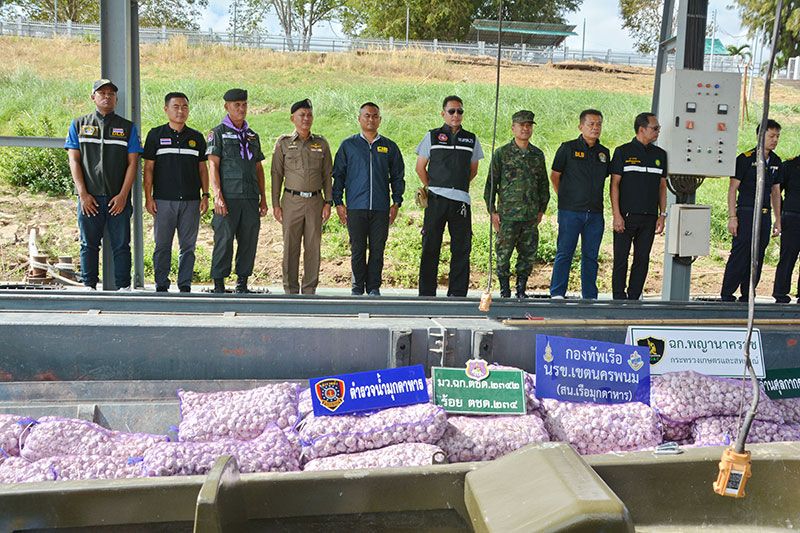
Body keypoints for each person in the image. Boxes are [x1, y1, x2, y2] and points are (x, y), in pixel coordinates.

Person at [64, 79, 142, 291]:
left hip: (118, 199)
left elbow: (133, 163)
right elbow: (74, 161)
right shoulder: (79, 125)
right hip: (89, 199)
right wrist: (83, 195)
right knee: (88, 244)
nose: (107, 97)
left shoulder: (127, 128)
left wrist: (123, 196)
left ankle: (124, 288)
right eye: (102, 93)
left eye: (111, 94)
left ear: (116, 99)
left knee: (121, 245)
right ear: (93, 97)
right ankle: (88, 286)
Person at [333, 102, 405, 296]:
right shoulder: (349, 145)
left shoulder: (389, 147)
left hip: (381, 208)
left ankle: (373, 287)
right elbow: (338, 175)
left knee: (377, 249)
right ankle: (357, 288)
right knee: (357, 249)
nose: (371, 119)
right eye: (367, 115)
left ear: (380, 120)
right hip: (355, 207)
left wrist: (396, 203)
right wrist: (338, 202)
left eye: (375, 116)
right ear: (359, 119)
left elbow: (398, 176)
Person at [415, 95, 484, 297]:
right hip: (436, 199)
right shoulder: (432, 136)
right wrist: (433, 187)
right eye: (451, 111)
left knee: (461, 248)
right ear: (443, 113)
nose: (456, 115)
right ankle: (427, 293)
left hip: (461, 201)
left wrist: (458, 187)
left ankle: (457, 293)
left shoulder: (471, 139)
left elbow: (473, 170)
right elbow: (420, 167)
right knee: (430, 245)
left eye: (459, 111)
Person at [142, 92, 209, 293]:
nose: (181, 111)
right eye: (176, 106)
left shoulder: (196, 138)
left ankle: (185, 284)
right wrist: (148, 197)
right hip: (163, 201)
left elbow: (203, 169)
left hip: (191, 201)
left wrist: (205, 195)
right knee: (162, 245)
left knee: (188, 246)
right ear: (166, 109)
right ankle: (161, 284)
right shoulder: (155, 135)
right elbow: (148, 169)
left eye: (184, 107)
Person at [206, 88, 268, 294]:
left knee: (249, 240)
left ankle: (242, 283)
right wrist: (217, 195)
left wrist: (263, 198)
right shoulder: (218, 133)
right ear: (227, 107)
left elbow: (258, 168)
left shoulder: (252, 136)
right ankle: (219, 285)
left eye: (244, 104)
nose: (241, 109)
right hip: (228, 197)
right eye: (237, 105)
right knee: (224, 240)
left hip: (249, 197)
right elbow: (213, 165)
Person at [483, 110, 549, 298]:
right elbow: (491, 185)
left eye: (529, 125)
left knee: (527, 254)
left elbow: (543, 184)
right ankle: (504, 290)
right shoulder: (502, 153)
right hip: (507, 216)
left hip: (530, 215)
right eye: (521, 125)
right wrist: (492, 211)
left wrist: (541, 209)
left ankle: (521, 290)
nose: (525, 129)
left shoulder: (537, 155)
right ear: (513, 128)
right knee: (503, 254)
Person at [271, 99, 333, 295]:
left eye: (309, 115)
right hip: (291, 201)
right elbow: (276, 174)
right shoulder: (283, 143)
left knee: (313, 247)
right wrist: (275, 204)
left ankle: (309, 290)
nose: (306, 118)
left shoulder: (321, 144)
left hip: (315, 201)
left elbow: (327, 175)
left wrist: (328, 202)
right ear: (293, 118)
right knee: (291, 246)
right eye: (302, 115)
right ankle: (290, 290)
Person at [549, 109, 611, 300]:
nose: (595, 128)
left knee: (591, 256)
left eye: (599, 124)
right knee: (565, 253)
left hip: (595, 213)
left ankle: (589, 296)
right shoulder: (567, 148)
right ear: (581, 126)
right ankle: (557, 293)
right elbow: (555, 176)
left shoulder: (604, 153)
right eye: (591, 124)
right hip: (570, 212)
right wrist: (565, 198)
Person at [722, 120, 782, 302]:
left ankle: (748, 293)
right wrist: (732, 216)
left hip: (764, 214)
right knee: (741, 252)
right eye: (771, 136)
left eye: (777, 136)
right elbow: (732, 189)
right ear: (760, 136)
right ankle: (727, 293)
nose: (775, 140)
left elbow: (776, 192)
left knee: (758, 254)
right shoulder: (745, 159)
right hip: (746, 212)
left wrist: (778, 219)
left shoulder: (776, 161)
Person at [610, 112, 668, 301]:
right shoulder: (623, 151)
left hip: (649, 216)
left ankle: (634, 296)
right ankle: (618, 297)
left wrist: (662, 214)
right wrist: (616, 215)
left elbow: (662, 187)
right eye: (655, 128)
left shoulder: (660, 155)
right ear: (642, 129)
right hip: (626, 216)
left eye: (658, 128)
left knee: (642, 258)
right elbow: (614, 185)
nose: (658, 131)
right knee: (621, 258)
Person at [773, 151, 800, 303]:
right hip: (792, 217)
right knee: (788, 257)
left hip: (791, 215)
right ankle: (780, 292)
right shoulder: (789, 166)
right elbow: (776, 191)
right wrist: (782, 213)